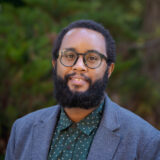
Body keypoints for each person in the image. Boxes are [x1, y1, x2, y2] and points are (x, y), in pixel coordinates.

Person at [5, 20, 160, 160]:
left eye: (92, 58)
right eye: (69, 55)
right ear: (55, 63)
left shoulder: (147, 142)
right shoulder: (22, 130)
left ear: (109, 69)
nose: (79, 65)